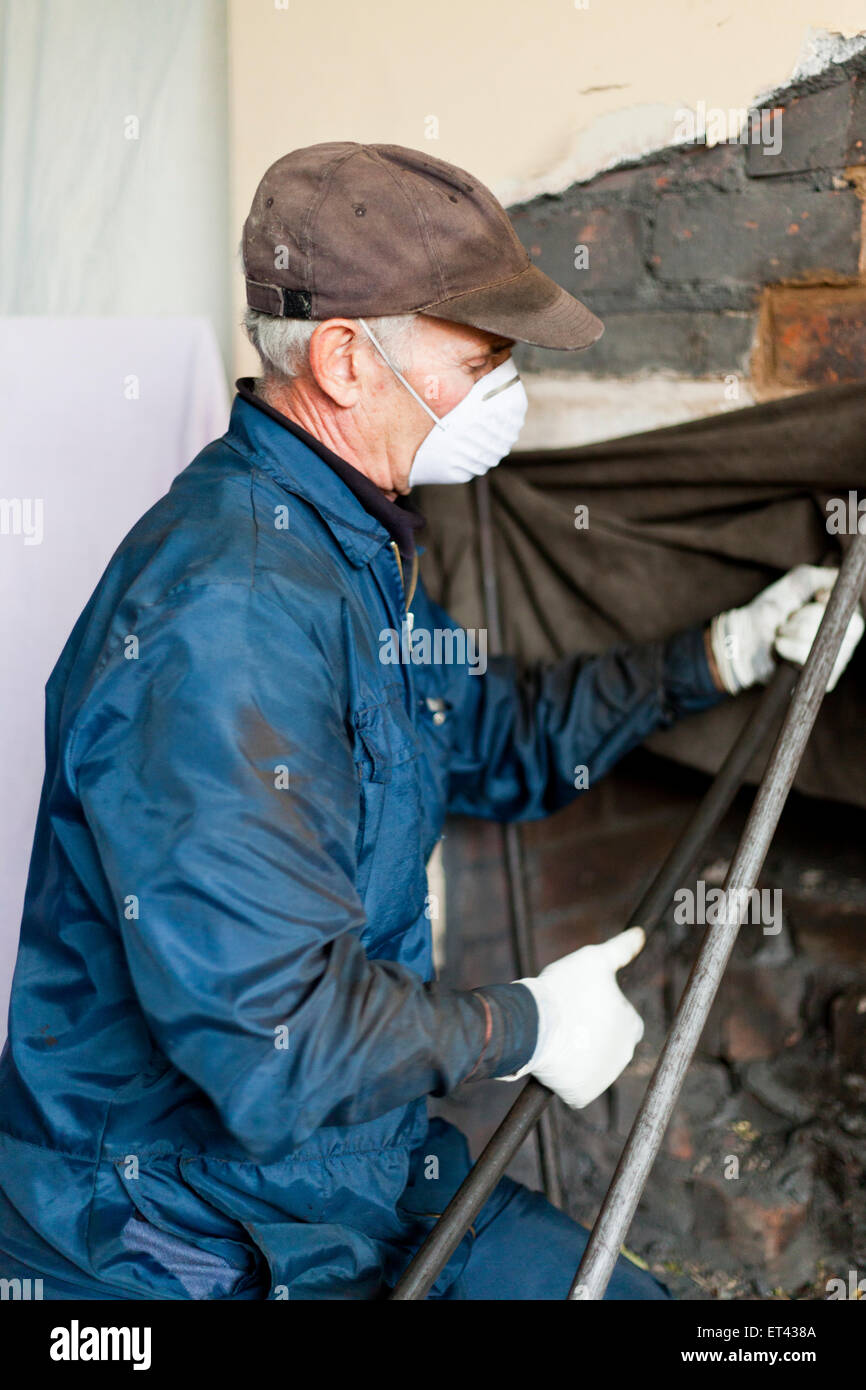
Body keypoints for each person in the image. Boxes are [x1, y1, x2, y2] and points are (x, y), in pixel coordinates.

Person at [0, 143, 861, 1301]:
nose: (506, 393)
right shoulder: (224, 623)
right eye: (480, 359)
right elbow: (278, 1045)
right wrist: (524, 1026)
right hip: (173, 1238)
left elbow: (485, 735)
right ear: (349, 361)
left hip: (340, 1177)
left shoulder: (345, 543)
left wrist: (717, 652)